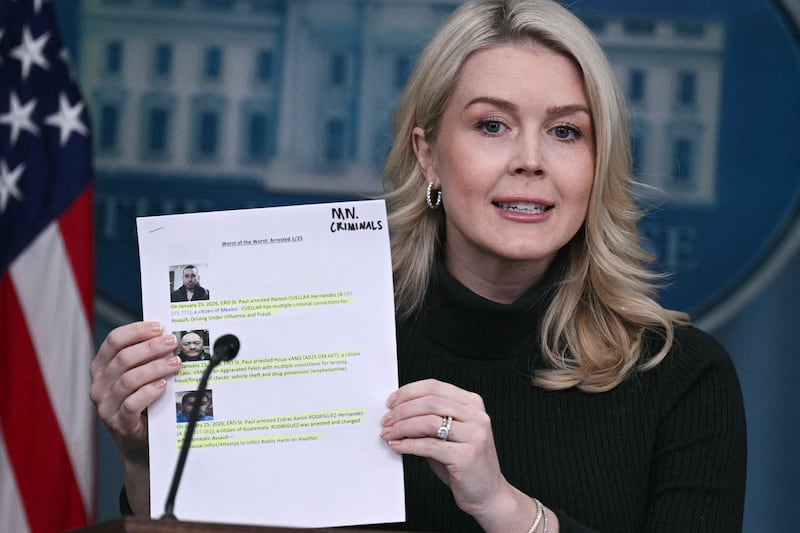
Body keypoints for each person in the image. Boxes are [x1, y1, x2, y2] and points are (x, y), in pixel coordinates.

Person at [89, 0, 746, 531]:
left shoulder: (681, 377)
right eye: (492, 125)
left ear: (597, 164)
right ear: (428, 156)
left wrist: (505, 508)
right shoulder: (316, 337)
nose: (531, 159)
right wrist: (147, 455)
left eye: (566, 131)